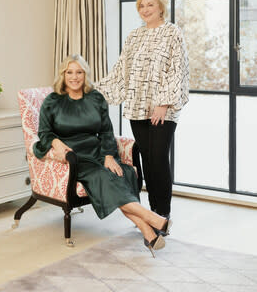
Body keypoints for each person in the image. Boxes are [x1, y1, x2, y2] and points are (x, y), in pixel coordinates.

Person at [33, 54, 171, 257]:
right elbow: (44, 133)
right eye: (69, 72)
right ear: (63, 75)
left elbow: (106, 131)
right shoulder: (52, 101)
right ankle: (154, 220)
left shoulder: (96, 98)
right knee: (104, 178)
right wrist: (56, 142)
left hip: (97, 153)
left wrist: (108, 155)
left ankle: (149, 233)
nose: (74, 77)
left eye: (79, 72)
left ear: (85, 75)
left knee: (119, 174)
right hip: (75, 159)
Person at [95, 0, 189, 222]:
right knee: (147, 158)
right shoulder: (134, 36)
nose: (145, 9)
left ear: (160, 7)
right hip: (137, 107)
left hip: (162, 109)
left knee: (158, 158)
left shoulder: (172, 33)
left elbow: (178, 70)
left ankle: (163, 212)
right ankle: (152, 210)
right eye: (141, 6)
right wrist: (93, 88)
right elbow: (121, 71)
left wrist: (164, 103)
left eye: (150, 5)